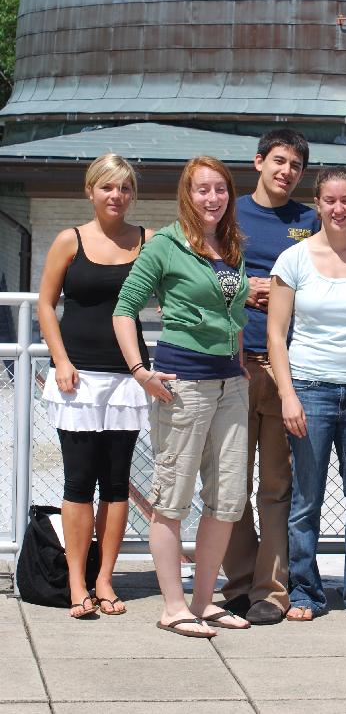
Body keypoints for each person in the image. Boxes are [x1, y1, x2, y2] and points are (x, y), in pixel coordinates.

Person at [113, 156, 250, 639]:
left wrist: (239, 364)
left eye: (220, 189)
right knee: (172, 498)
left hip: (230, 384)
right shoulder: (165, 246)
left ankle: (203, 601)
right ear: (186, 195)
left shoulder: (231, 244)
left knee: (228, 498)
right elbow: (125, 309)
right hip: (183, 384)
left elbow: (234, 312)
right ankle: (173, 607)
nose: (213, 198)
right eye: (202, 189)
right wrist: (140, 372)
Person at [267, 166, 346, 620]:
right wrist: (288, 394)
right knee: (306, 500)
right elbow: (276, 335)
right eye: (330, 200)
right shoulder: (293, 259)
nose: (339, 208)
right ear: (317, 204)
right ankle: (304, 591)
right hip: (309, 391)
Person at [38, 154, 154, 619]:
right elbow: (46, 305)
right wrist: (61, 361)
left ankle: (105, 578)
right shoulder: (70, 239)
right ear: (90, 190)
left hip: (128, 377)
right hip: (78, 379)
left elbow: (179, 292)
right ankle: (76, 581)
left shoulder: (149, 241)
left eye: (124, 188)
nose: (116, 195)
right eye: (107, 187)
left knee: (117, 483)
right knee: (79, 481)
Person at [221, 128, 319, 625]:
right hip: (232, 366)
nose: (286, 172)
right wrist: (246, 287)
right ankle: (239, 583)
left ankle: (271, 591)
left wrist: (282, 294)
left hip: (286, 370)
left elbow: (324, 284)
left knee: (277, 488)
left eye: (296, 166)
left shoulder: (310, 221)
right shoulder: (229, 212)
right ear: (259, 161)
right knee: (229, 486)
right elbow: (205, 272)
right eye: (279, 161)